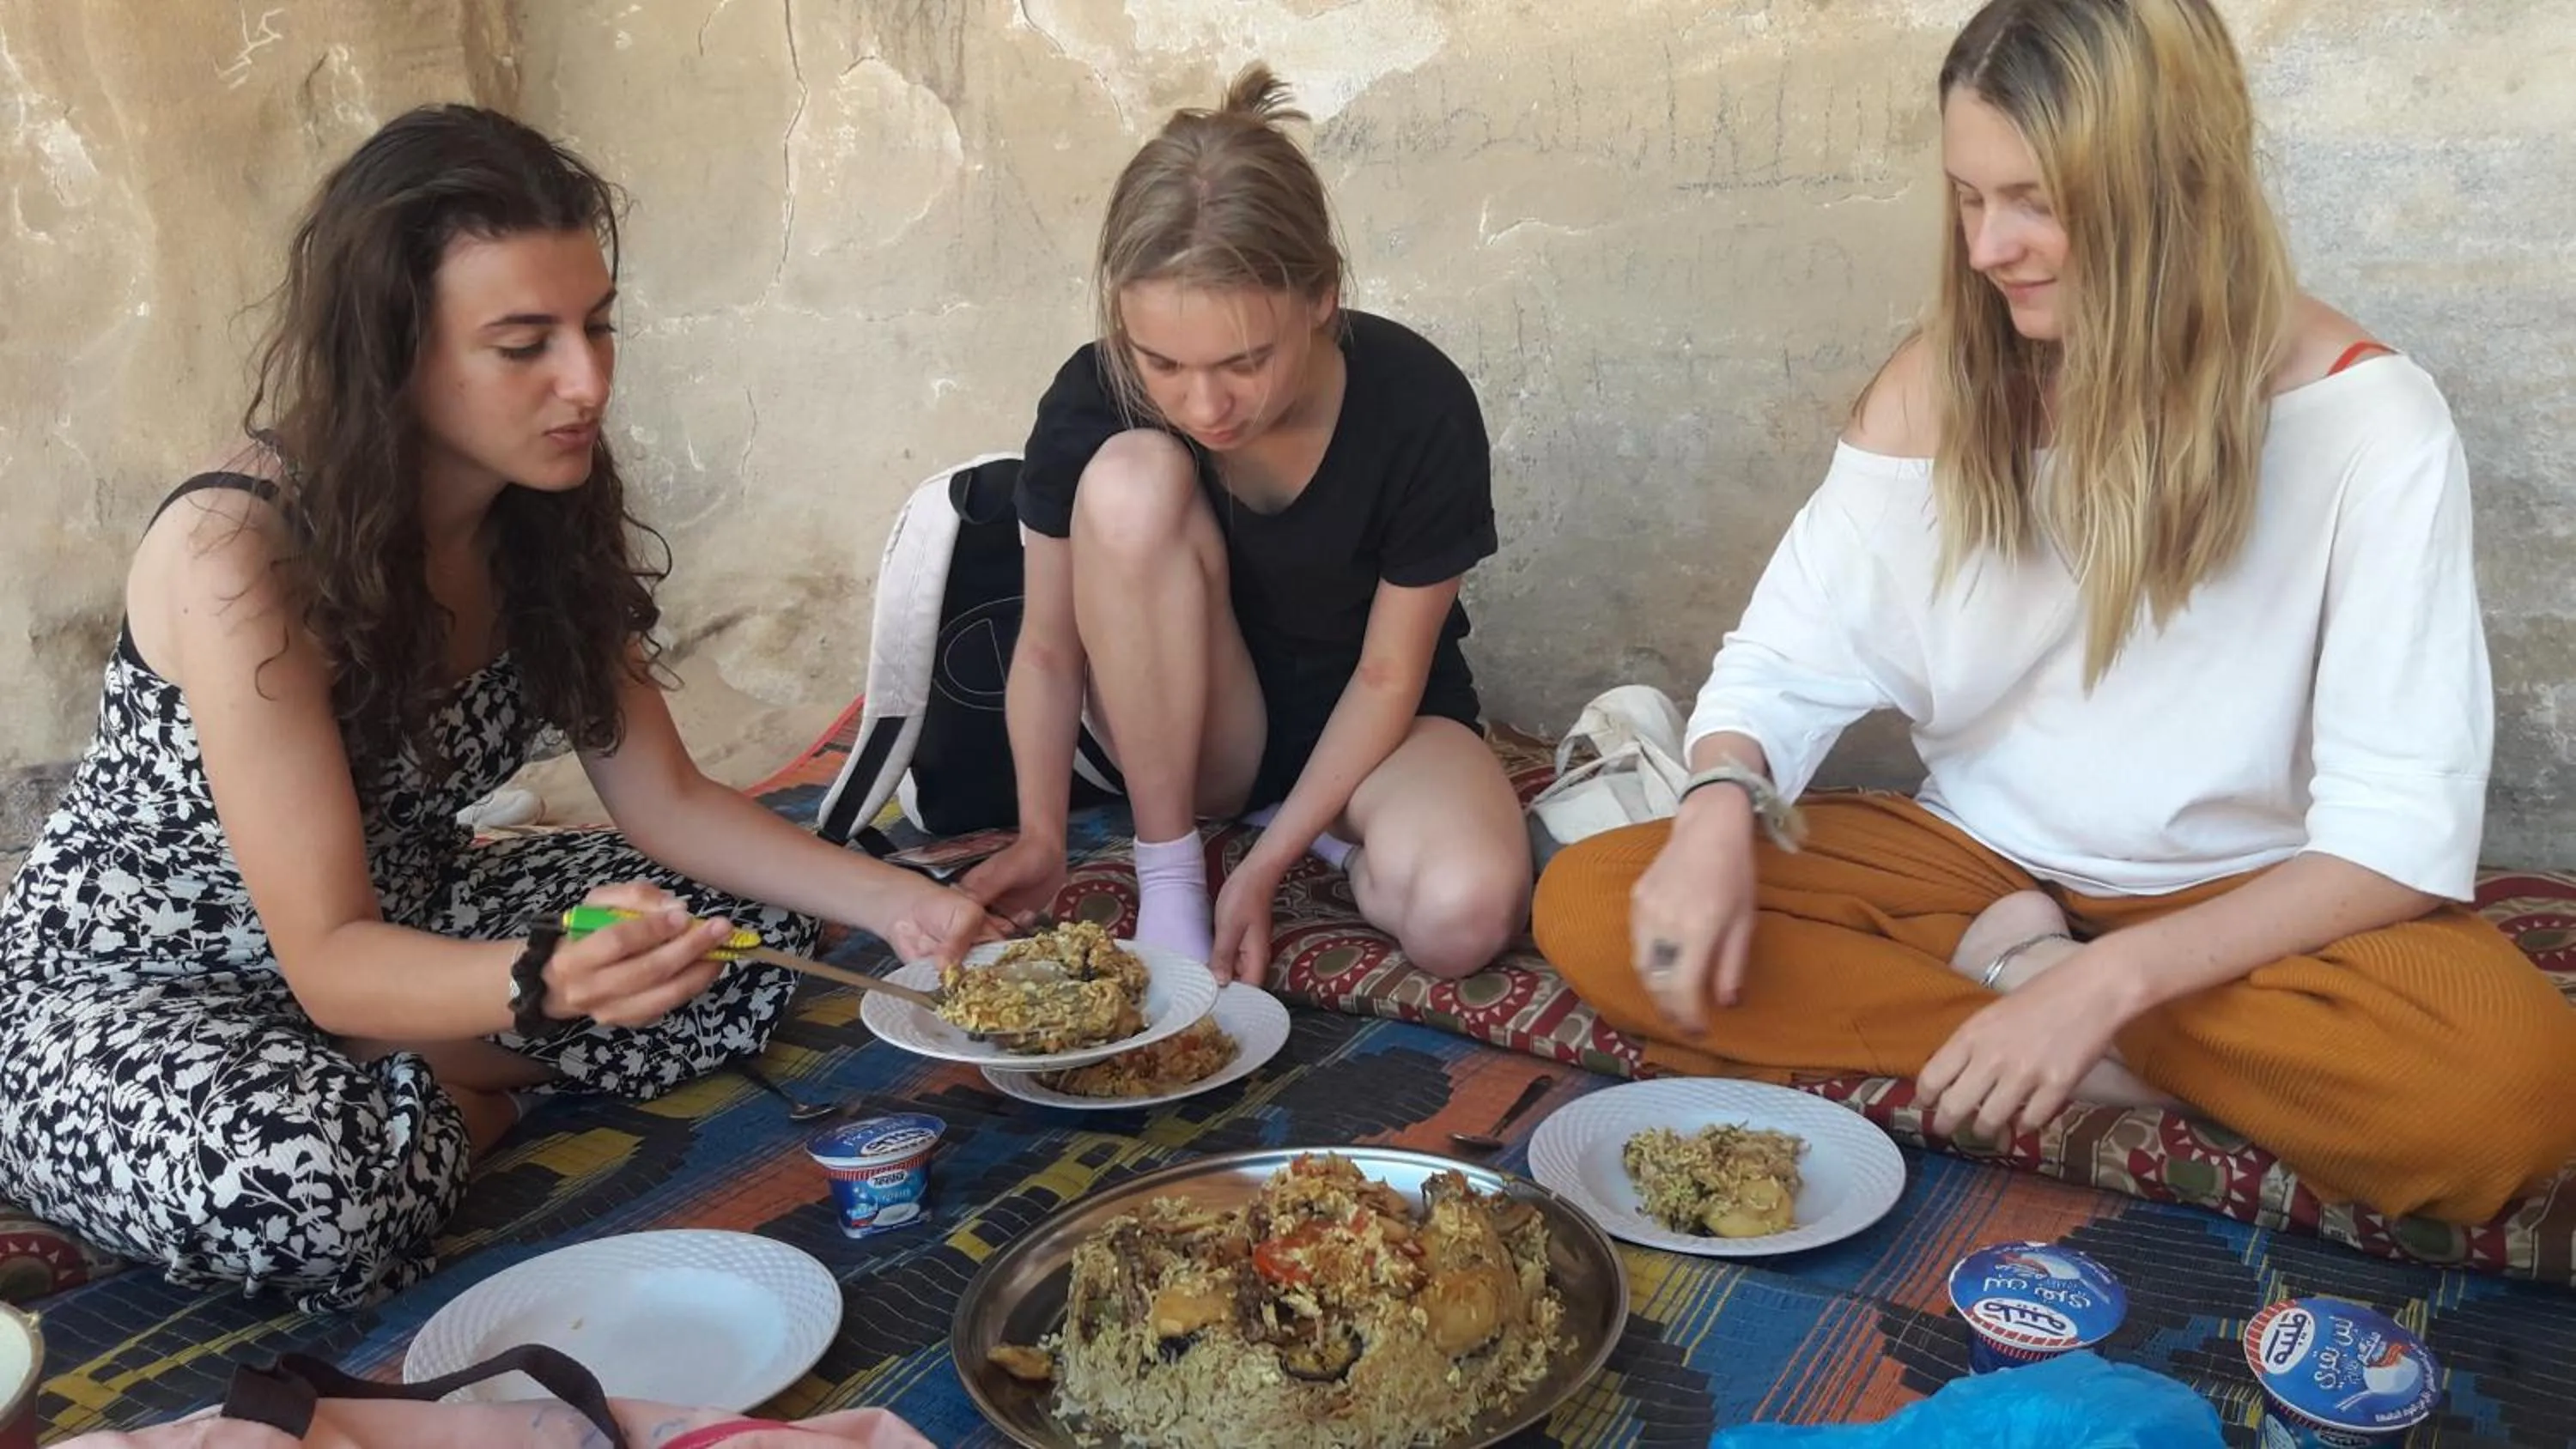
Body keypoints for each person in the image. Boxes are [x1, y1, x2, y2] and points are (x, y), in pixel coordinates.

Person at [1530, 0, 2576, 1224]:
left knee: (2511, 1097)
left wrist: (2101, 979)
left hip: (2244, 902)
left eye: (2033, 202)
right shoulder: (1939, 384)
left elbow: (2397, 831)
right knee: (1597, 906)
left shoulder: (2370, 423)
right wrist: (1717, 802)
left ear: (2169, 187)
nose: (1987, 247)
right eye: (1968, 199)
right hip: (1974, 862)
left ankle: (2040, 998)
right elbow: (1782, 661)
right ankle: (2128, 1041)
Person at [0, 106, 996, 1309]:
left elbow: (668, 800)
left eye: (597, 326)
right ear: (394, 350)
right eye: (524, 344)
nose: (587, 382)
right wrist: (543, 985)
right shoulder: (239, 556)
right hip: (148, 983)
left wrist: (902, 906)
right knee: (306, 1183)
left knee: (725, 936)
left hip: (415, 915)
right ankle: (443, 1087)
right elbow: (326, 956)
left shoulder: (542, 504)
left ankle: (418, 1076)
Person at [961, 65, 1532, 985]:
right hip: (1199, 744)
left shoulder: (1417, 401)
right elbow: (1050, 650)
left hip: (1382, 729)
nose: (1204, 406)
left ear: (1321, 296)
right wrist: (1040, 833)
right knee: (1132, 478)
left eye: (1246, 361)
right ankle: (1173, 870)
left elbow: (1389, 674)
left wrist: (1265, 869)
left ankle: (1315, 836)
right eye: (1162, 363)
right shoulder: (1092, 397)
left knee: (1463, 917)